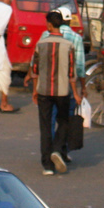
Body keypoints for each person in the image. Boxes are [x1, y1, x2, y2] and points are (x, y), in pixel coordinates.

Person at [29, 10, 77, 175]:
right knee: (64, 122)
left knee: (45, 126)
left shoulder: (40, 44)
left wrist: (35, 90)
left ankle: (47, 165)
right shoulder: (69, 46)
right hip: (63, 91)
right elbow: (72, 74)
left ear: (49, 25)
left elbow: (34, 70)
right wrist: (76, 93)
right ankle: (57, 149)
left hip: (43, 90)